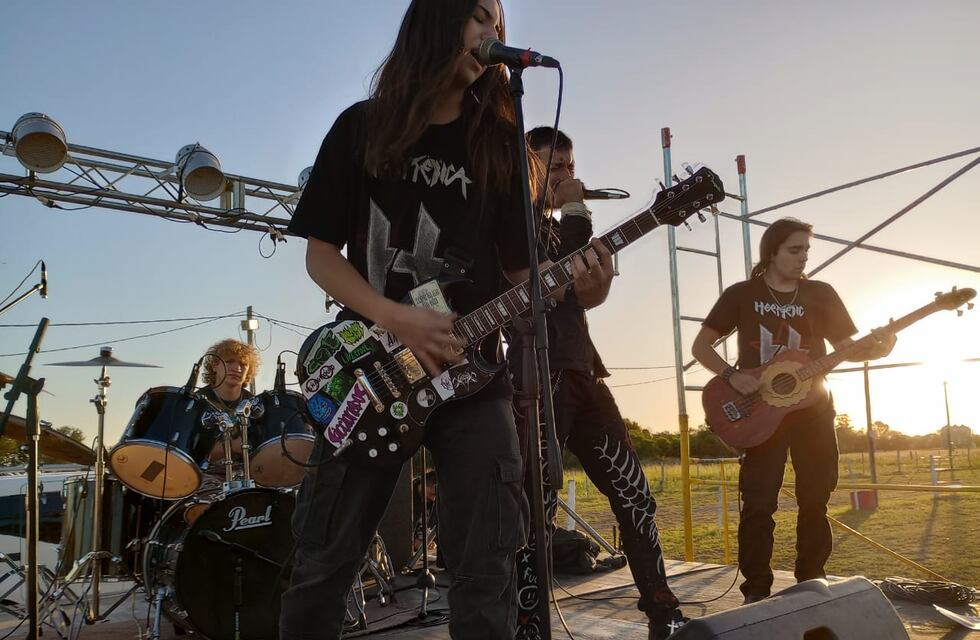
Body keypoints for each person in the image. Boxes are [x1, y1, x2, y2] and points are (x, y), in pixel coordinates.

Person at [278, 2, 610, 638]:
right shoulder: (362, 127)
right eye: (480, 15)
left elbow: (522, 281)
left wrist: (582, 283)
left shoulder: (503, 147)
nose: (494, 33)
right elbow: (321, 256)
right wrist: (395, 317)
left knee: (487, 567)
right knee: (324, 562)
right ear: (437, 19)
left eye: (500, 24)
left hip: (474, 380)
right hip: (369, 372)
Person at [511, 127, 685, 640]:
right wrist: (576, 213)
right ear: (528, 166)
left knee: (634, 493)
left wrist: (600, 279)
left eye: (570, 165)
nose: (568, 175)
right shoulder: (512, 225)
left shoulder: (567, 227)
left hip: (585, 371)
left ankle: (661, 606)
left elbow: (583, 296)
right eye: (554, 166)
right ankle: (528, 617)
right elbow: (545, 282)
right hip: (534, 378)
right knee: (535, 504)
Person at [691, 217, 896, 604]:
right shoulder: (741, 294)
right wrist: (733, 377)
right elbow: (701, 347)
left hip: (813, 408)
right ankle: (755, 592)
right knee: (759, 504)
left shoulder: (822, 293)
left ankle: (811, 585)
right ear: (772, 252)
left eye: (806, 250)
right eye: (795, 249)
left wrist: (879, 347)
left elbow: (846, 347)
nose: (803, 257)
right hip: (759, 412)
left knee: (815, 498)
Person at [193, 338, 259, 474]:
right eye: (229, 362)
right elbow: (192, 452)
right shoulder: (197, 403)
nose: (237, 368)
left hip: (249, 476)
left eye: (243, 364)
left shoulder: (255, 405)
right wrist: (232, 446)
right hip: (206, 478)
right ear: (214, 365)